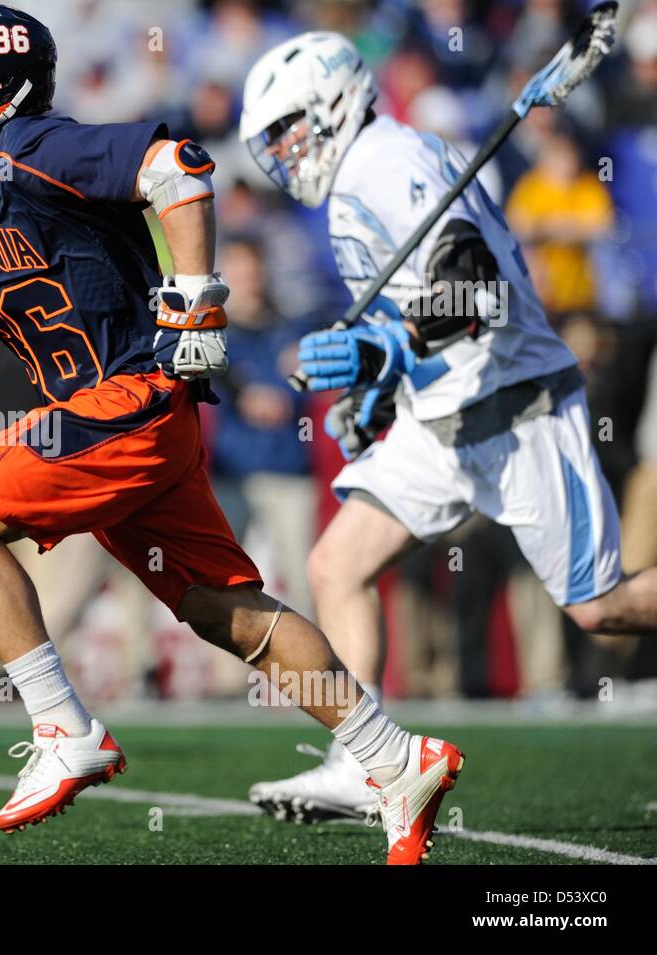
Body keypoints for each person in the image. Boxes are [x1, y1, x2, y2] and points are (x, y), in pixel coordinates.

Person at [0, 3, 463, 865]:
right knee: (227, 612)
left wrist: (196, 298)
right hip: (119, 423)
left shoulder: (36, 147)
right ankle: (394, 757)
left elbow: (179, 166)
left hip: (129, 397)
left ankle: (62, 724)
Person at [237, 31, 657, 824]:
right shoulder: (369, 170)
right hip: (445, 414)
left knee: (601, 607)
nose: (281, 152)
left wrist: (383, 345)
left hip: (514, 404)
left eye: (288, 128)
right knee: (337, 564)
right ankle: (364, 762)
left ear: (332, 103)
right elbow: (425, 308)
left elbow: (476, 289)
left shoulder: (386, 164)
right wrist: (384, 382)